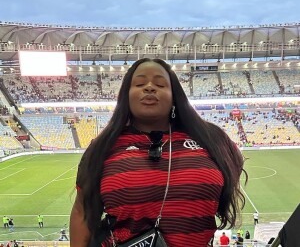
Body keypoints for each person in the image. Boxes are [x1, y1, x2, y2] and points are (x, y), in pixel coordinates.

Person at [70, 58, 247, 247]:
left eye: (160, 84)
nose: (149, 88)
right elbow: (83, 211)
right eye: (139, 83)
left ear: (174, 96)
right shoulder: (103, 147)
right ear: (126, 96)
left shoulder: (211, 138)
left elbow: (233, 164)